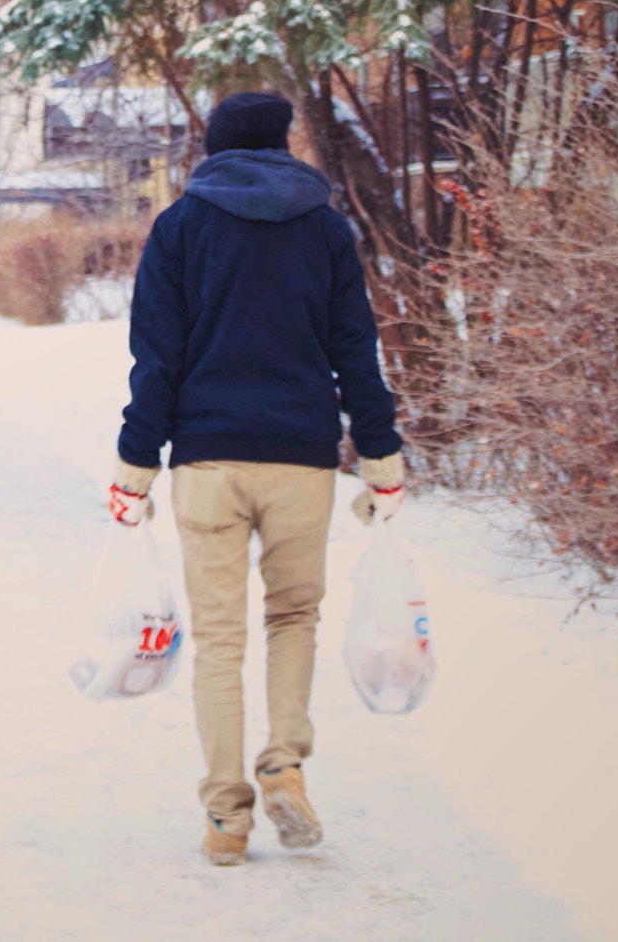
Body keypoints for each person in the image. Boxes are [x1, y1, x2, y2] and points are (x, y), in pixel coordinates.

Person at [107, 91, 406, 866]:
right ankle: (283, 760)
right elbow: (355, 353)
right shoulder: (325, 228)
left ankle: (226, 816)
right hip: (302, 460)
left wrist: (134, 469)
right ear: (284, 145)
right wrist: (382, 460)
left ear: (212, 148)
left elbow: (157, 363)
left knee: (218, 641)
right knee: (291, 619)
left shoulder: (180, 227)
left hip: (206, 463)